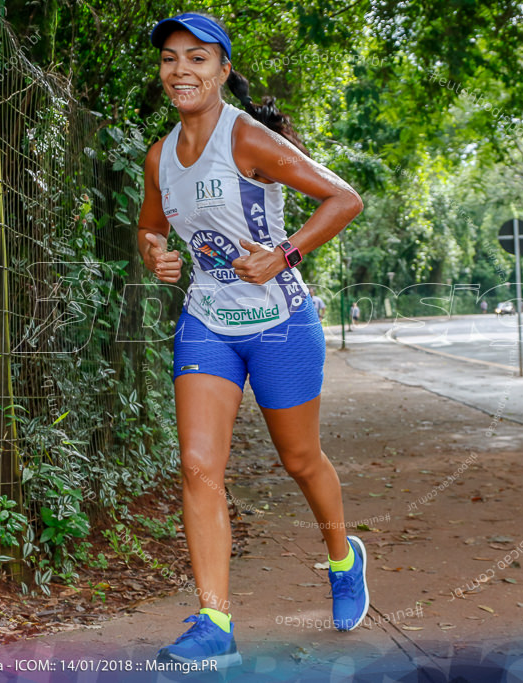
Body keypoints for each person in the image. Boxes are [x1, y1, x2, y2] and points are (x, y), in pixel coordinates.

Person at [136, 13, 368, 669]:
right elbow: (151, 228)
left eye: (198, 59)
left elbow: (343, 198)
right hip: (208, 320)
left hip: (279, 323)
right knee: (197, 466)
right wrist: (156, 253)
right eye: (170, 59)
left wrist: (284, 253)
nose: (181, 70)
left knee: (301, 461)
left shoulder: (250, 141)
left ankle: (344, 558)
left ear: (222, 71)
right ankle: (214, 621)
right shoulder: (159, 156)